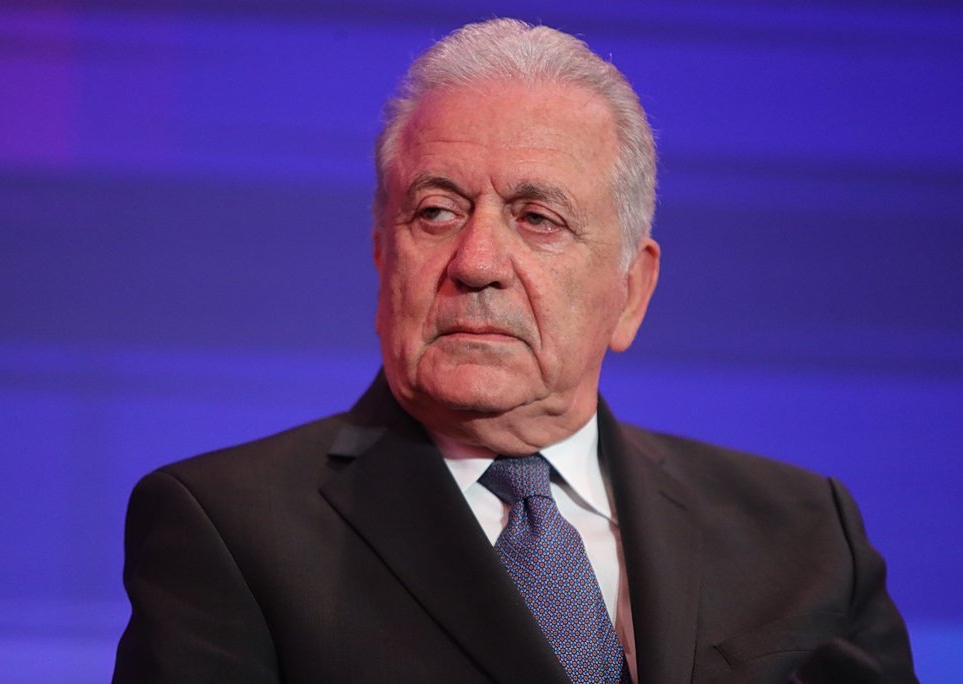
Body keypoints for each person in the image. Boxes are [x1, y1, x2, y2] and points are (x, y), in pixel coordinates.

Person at [112, 18, 916, 683]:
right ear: (382, 254)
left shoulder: (806, 532)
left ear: (631, 290)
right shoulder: (227, 529)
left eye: (538, 218)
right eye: (436, 211)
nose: (477, 262)